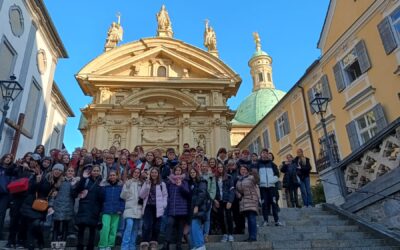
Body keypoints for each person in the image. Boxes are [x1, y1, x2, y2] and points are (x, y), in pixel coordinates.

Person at [20, 154, 60, 250]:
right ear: (52, 169)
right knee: (32, 224)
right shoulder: (42, 175)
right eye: (56, 169)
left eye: (59, 170)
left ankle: (39, 241)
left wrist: (55, 192)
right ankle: (31, 245)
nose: (57, 171)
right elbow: (30, 189)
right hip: (32, 203)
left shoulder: (58, 181)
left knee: (36, 224)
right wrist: (37, 182)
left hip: (42, 205)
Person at [75, 165, 103, 250]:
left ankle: (90, 247)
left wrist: (101, 188)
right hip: (84, 207)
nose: (96, 172)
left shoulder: (101, 182)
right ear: (91, 171)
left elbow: (101, 198)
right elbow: (78, 189)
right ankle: (79, 247)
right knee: (81, 230)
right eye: (94, 170)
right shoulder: (86, 180)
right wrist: (83, 178)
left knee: (92, 231)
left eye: (97, 171)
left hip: (95, 209)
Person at [139, 167, 168, 250]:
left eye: (156, 173)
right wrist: (147, 185)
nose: (154, 174)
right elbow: (141, 195)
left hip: (158, 207)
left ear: (158, 174)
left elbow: (165, 195)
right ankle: (144, 243)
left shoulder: (162, 184)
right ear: (150, 174)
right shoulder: (146, 183)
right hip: (148, 207)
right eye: (152, 172)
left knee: (157, 227)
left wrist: (164, 205)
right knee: (147, 225)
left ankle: (153, 242)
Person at [50, 165, 79, 246]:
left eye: (72, 171)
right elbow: (54, 192)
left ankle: (62, 243)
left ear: (74, 173)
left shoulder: (75, 182)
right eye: (69, 171)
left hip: (68, 206)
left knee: (65, 225)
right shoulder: (60, 180)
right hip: (58, 205)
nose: (70, 172)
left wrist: (74, 185)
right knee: (56, 224)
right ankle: (54, 243)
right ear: (66, 172)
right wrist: (52, 204)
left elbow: (75, 195)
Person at [163, 166, 190, 250]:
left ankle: (179, 246)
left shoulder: (185, 182)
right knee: (169, 224)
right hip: (172, 208)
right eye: (176, 170)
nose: (178, 172)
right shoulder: (169, 182)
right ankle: (166, 245)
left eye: (179, 170)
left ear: (181, 172)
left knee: (180, 228)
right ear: (174, 171)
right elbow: (166, 193)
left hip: (182, 209)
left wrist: (180, 186)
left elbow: (187, 194)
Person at [98, 170, 125, 250]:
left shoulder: (120, 187)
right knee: (105, 228)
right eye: (111, 175)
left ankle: (110, 245)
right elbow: (101, 198)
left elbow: (122, 199)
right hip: (106, 210)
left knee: (113, 229)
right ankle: (102, 245)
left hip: (116, 210)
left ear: (116, 176)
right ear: (108, 176)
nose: (112, 177)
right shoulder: (105, 186)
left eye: (114, 175)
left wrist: (121, 209)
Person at [256, 149, 282, 226]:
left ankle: (276, 220)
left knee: (274, 203)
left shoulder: (272, 164)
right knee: (264, 204)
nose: (264, 154)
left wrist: (272, 181)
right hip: (263, 187)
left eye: (266, 153)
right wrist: (259, 181)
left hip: (272, 187)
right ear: (261, 155)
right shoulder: (258, 164)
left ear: (268, 154)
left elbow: (277, 174)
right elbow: (255, 174)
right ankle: (265, 220)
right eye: (263, 153)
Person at [236, 164, 260, 242]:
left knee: (252, 218)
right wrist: (238, 194)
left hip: (252, 199)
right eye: (241, 169)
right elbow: (237, 189)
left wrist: (254, 172)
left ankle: (253, 236)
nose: (243, 170)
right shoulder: (239, 180)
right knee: (249, 219)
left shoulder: (251, 177)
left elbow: (257, 179)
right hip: (244, 201)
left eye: (244, 169)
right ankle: (250, 236)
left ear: (247, 170)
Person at [120, 168, 143, 250]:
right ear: (132, 173)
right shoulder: (128, 182)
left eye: (138, 172)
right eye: (135, 172)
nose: (136, 174)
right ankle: (124, 246)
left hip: (138, 209)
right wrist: (127, 187)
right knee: (129, 226)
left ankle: (132, 246)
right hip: (129, 208)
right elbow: (122, 196)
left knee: (135, 229)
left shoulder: (141, 183)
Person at [188, 168, 209, 250]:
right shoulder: (191, 183)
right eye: (191, 172)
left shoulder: (201, 181)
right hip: (192, 207)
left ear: (197, 173)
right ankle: (195, 246)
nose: (192, 174)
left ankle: (200, 245)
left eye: (194, 172)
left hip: (199, 207)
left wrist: (196, 205)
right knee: (192, 228)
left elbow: (202, 194)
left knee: (196, 226)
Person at [214, 163, 235, 242]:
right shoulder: (215, 178)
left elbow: (232, 190)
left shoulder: (229, 177)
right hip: (219, 200)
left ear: (223, 168)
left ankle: (230, 234)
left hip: (227, 200)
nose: (220, 168)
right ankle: (224, 234)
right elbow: (213, 189)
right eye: (218, 167)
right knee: (220, 218)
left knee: (229, 217)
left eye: (221, 167)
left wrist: (230, 201)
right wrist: (215, 200)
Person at [200, 161, 216, 242]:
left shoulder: (211, 176)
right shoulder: (198, 176)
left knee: (207, 218)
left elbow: (213, 188)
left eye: (205, 166)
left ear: (208, 167)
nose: (204, 167)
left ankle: (206, 234)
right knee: (200, 217)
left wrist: (211, 198)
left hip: (208, 200)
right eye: (202, 166)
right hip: (200, 201)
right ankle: (200, 234)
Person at [0, 154, 14, 240]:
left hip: (5, 194)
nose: (8, 159)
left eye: (10, 158)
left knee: (1, 214)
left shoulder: (11, 170)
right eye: (7, 157)